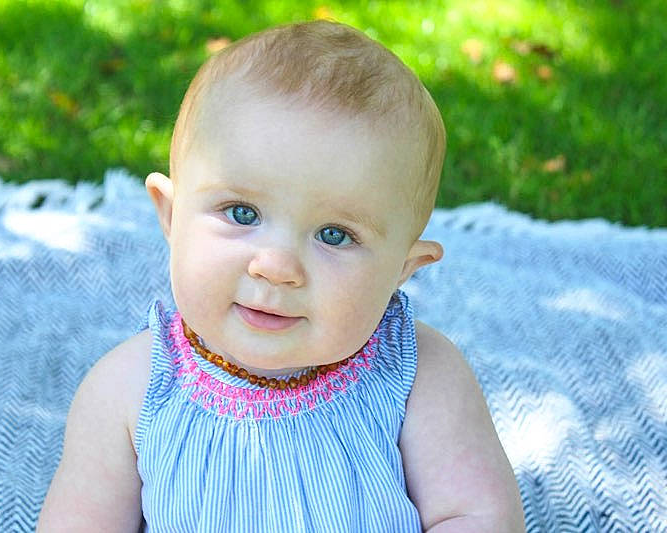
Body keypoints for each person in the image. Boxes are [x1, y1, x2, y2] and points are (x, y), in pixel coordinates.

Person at [38, 20, 524, 532]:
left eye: (334, 235)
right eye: (242, 214)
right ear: (169, 216)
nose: (276, 267)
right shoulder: (129, 391)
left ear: (401, 271)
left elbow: (477, 515)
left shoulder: (418, 377)